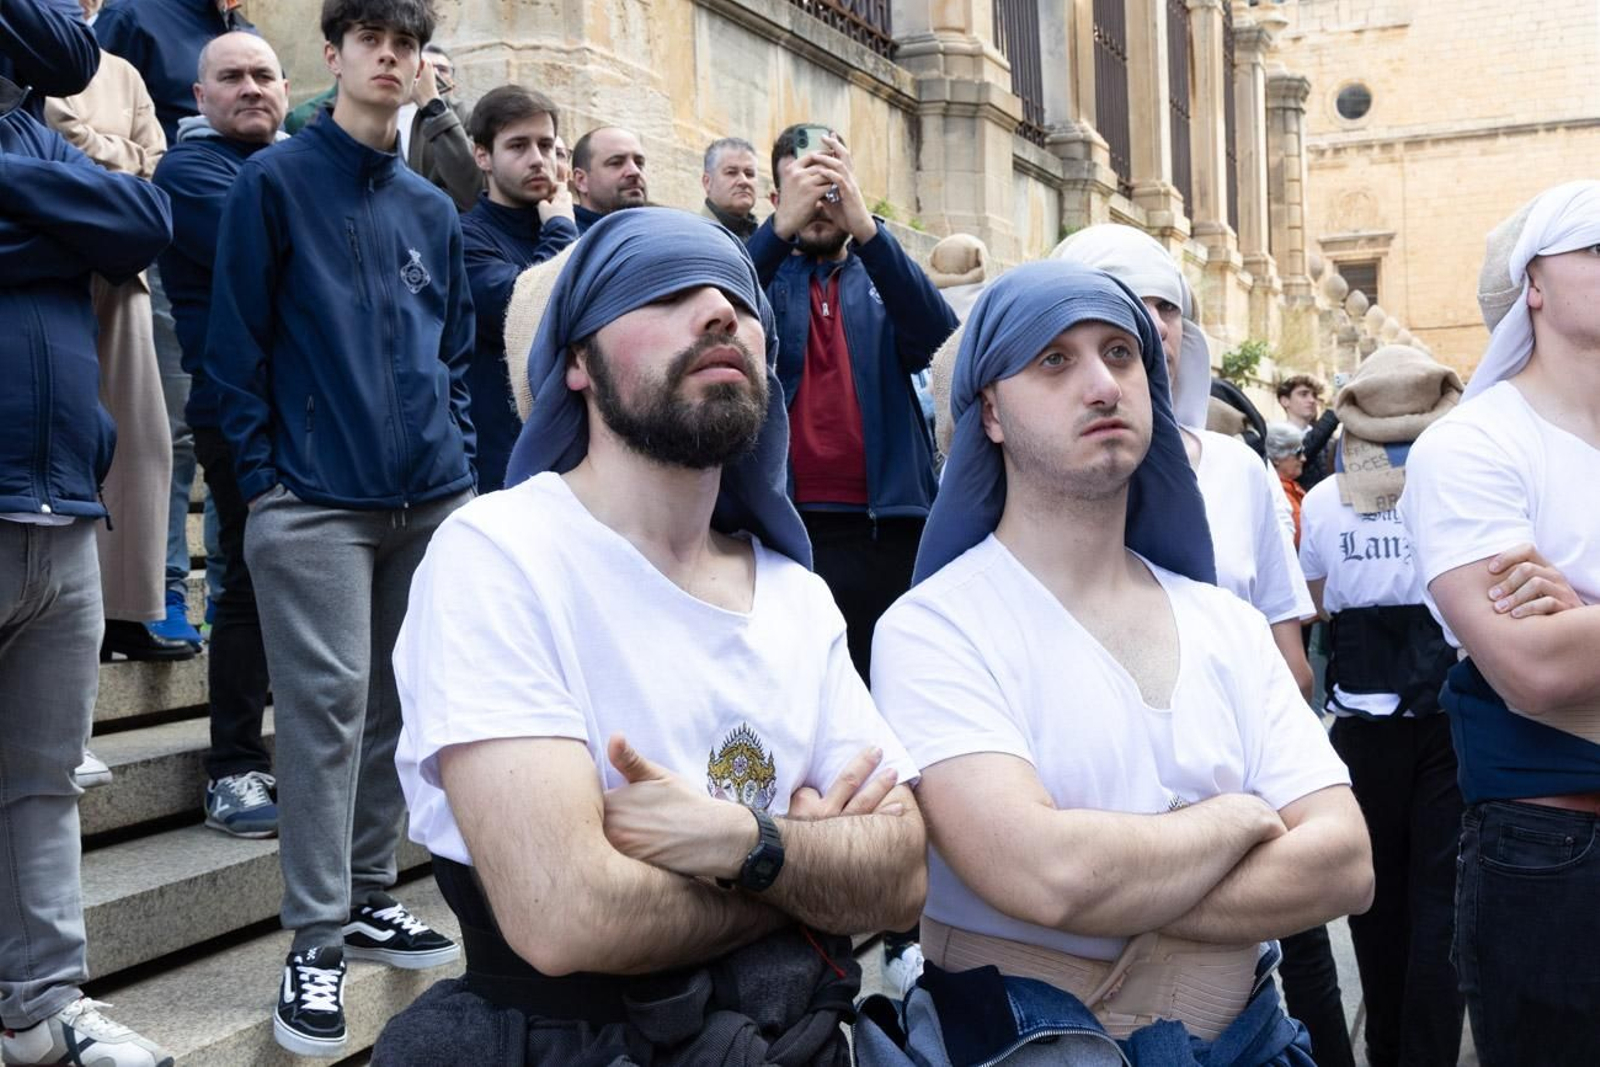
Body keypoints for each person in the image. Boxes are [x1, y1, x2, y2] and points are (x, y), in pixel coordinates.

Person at [375, 208, 926, 1063]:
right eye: (662, 293)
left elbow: (903, 873)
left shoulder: (796, 593)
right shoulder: (500, 553)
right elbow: (566, 912)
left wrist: (740, 840)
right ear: (575, 364)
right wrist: (805, 869)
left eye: (740, 303)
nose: (716, 313)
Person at [860, 260, 1372, 1066]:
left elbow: (1344, 860)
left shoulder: (1229, 624)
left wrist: (1121, 882)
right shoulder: (933, 628)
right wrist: (1237, 819)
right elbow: (1045, 872)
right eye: (1054, 360)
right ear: (989, 411)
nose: (1101, 384)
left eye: (1120, 353)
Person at [204, 0, 473, 1054]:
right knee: (322, 714)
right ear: (336, 53)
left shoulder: (428, 204)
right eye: (373, 41)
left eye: (406, 44)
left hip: (426, 497)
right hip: (313, 497)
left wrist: (454, 454)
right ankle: (314, 938)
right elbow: (234, 345)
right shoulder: (272, 179)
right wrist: (266, 483)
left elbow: (451, 351)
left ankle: (367, 890)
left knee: (395, 706)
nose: (391, 58)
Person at [0, 3, 176, 1061]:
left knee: (39, 784)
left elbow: (144, 224)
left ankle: (38, 1006)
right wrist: (68, 223)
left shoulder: (28, 127)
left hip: (61, 502)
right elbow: (101, 222)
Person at [1400, 180, 1600, 1064]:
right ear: (1534, 284)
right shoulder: (1473, 445)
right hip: (1556, 842)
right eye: (1596, 246)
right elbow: (1533, 669)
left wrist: (1583, 616)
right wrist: (1561, 640)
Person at [1300, 343, 1465, 1067]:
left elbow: (1314, 605)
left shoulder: (1328, 501)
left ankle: (1388, 1044)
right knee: (1441, 896)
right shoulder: (1458, 487)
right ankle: (1425, 1052)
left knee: (1374, 895)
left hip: (1362, 725)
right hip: (1449, 713)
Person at [749, 122, 957, 681]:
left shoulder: (883, 268)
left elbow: (943, 348)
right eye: (803, 187)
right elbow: (716, 309)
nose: (820, 203)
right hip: (785, 528)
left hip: (888, 529)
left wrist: (867, 229)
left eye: (831, 186)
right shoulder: (759, 271)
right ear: (777, 199)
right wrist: (775, 232)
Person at [151, 29, 289, 838]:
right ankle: (234, 766)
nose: (250, 88)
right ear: (199, 98)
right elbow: (290, 258)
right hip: (238, 414)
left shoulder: (295, 167)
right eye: (230, 77)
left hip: (321, 410)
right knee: (243, 583)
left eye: (264, 75)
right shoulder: (192, 171)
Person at [46, 12, 188, 672]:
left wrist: (96, 152)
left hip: (122, 268)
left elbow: (156, 165)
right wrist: (114, 158)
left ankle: (129, 609)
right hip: (49, 264)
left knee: (142, 441)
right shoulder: (32, 65)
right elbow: (53, 137)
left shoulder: (124, 73)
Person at [460, 84, 577, 492]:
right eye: (518, 146)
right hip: (501, 463)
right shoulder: (466, 237)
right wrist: (561, 231)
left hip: (573, 459)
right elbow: (526, 309)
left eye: (546, 145)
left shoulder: (572, 226)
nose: (538, 160)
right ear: (483, 156)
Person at [569, 124, 647, 232]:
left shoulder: (658, 233)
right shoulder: (564, 237)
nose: (635, 171)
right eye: (616, 163)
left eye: (639, 163)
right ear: (581, 180)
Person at [1276, 374, 1339, 488]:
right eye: (1303, 394)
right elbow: (1307, 448)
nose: (1312, 400)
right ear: (1285, 401)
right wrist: (1334, 412)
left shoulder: (1328, 439)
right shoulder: (1277, 437)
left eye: (1314, 395)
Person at [700, 135, 760, 239]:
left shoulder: (763, 238)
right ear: (707, 182)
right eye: (731, 173)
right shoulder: (696, 237)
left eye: (749, 174)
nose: (744, 181)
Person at [1265, 422, 1306, 548]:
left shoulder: (1291, 487)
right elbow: (1300, 538)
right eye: (1298, 453)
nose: (1304, 458)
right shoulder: (1275, 493)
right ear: (1277, 458)